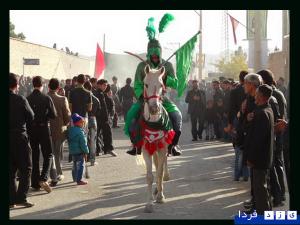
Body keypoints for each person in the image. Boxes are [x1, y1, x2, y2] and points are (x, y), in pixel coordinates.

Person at [125, 27, 182, 156]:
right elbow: (138, 84)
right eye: (153, 54)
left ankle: (173, 145)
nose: (155, 57)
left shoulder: (167, 66)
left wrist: (166, 77)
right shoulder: (142, 66)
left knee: (177, 117)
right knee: (131, 118)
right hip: (145, 98)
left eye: (157, 54)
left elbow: (175, 83)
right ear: (149, 53)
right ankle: (135, 145)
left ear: (160, 53)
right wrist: (143, 96)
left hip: (162, 98)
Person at [257, 69, 287, 206]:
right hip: (276, 134)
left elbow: (279, 118)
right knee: (276, 164)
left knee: (276, 165)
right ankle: (279, 194)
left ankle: (279, 195)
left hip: (276, 135)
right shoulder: (276, 92)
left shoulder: (272, 94)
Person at [244, 84, 274, 215]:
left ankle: (264, 217)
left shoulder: (261, 113)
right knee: (263, 189)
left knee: (260, 191)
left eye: (256, 93)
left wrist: (251, 158)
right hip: (264, 158)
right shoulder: (267, 109)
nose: (254, 96)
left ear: (261, 96)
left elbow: (257, 140)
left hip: (259, 159)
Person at [27, 76, 57, 193]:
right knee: (48, 154)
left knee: (34, 156)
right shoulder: (46, 98)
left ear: (33, 84)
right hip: (43, 128)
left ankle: (34, 183)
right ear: (42, 85)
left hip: (32, 130)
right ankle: (43, 178)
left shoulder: (27, 98)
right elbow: (53, 115)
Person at [9, 73, 35, 208]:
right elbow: (31, 116)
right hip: (19, 137)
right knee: (26, 168)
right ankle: (21, 197)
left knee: (10, 171)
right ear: (15, 85)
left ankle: (10, 200)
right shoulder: (20, 99)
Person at [240, 73, 262, 210]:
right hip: (249, 141)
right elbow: (244, 121)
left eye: (245, 83)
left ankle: (260, 208)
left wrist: (247, 118)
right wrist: (244, 115)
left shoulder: (261, 101)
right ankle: (254, 202)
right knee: (254, 178)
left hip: (258, 145)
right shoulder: (248, 99)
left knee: (260, 181)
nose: (243, 86)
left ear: (252, 86)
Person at [48, 78, 71, 186]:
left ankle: (53, 174)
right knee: (58, 152)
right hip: (60, 129)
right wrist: (66, 124)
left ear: (48, 86)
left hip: (47, 129)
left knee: (50, 153)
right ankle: (58, 172)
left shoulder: (45, 97)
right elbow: (67, 116)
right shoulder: (62, 99)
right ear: (58, 88)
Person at [94, 79, 117, 157]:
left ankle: (101, 150)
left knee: (100, 134)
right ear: (99, 85)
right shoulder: (97, 93)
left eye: (106, 85)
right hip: (101, 118)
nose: (105, 86)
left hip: (101, 117)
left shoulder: (101, 93)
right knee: (105, 134)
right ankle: (106, 149)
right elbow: (102, 108)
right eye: (104, 85)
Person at [68, 114, 89, 185]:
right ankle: (79, 180)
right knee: (80, 166)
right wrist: (86, 151)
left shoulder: (70, 131)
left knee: (74, 165)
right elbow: (83, 143)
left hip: (73, 152)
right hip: (80, 152)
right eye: (82, 123)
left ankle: (74, 178)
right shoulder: (80, 132)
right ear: (78, 123)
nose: (83, 124)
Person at [84, 81, 101, 166]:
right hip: (93, 119)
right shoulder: (96, 99)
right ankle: (92, 160)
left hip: (85, 119)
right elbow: (99, 111)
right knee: (93, 141)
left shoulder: (83, 98)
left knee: (84, 139)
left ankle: (85, 158)